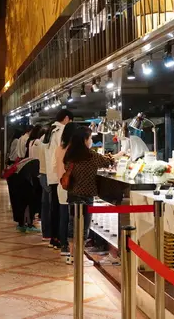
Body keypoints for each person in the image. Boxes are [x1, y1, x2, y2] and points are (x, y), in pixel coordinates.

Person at [63, 126, 115, 265]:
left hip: (72, 193)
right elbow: (107, 163)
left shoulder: (70, 154)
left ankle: (71, 255)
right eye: (90, 138)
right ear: (85, 139)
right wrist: (114, 157)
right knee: (84, 227)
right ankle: (79, 256)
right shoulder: (90, 155)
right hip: (86, 195)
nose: (91, 140)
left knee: (72, 224)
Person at [43, 109, 74, 249]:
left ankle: (53, 238)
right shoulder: (61, 130)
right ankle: (60, 239)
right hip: (60, 175)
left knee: (54, 207)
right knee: (60, 209)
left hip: (52, 174)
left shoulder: (50, 130)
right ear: (66, 118)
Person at [55, 123, 78, 256]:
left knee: (63, 216)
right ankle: (68, 246)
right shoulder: (73, 150)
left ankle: (63, 244)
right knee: (70, 218)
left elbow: (55, 166)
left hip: (61, 184)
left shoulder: (59, 148)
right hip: (71, 186)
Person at [5, 157, 40, 233]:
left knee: (18, 203)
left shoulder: (32, 160)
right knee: (29, 202)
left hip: (12, 178)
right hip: (20, 179)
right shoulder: (38, 164)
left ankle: (21, 225)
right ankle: (29, 226)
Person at [35, 127, 51, 241]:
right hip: (49, 175)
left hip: (43, 173)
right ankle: (51, 234)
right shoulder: (49, 142)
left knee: (45, 205)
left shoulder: (41, 141)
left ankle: (46, 233)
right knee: (50, 206)